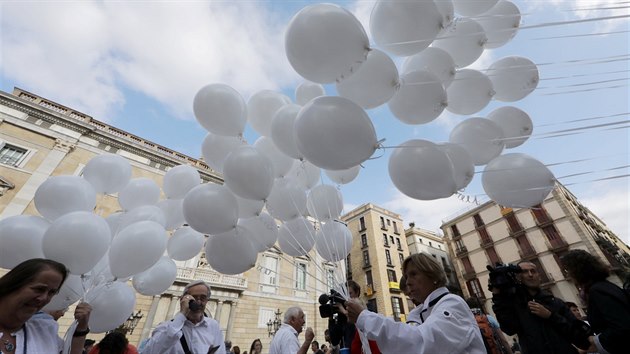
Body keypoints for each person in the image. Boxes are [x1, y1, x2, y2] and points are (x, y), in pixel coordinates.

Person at [345, 253, 486, 353]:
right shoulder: (419, 312)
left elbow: (421, 343)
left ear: (433, 275)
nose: (408, 282)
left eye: (414, 274)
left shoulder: (452, 304)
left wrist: (364, 317)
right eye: (406, 277)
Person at [490, 261, 590, 354]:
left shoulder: (556, 303)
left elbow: (582, 341)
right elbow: (509, 329)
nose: (530, 274)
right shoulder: (516, 306)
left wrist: (551, 316)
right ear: (518, 277)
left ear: (539, 276)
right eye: (524, 272)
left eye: (533, 271)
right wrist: (497, 295)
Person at [0, 258, 92, 354]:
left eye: (52, 292)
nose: (44, 298)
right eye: (39, 289)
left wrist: (81, 328)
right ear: (14, 284)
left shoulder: (44, 331)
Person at [561, 249, 630, 354]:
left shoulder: (597, 291)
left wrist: (596, 341)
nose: (568, 274)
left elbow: (622, 327)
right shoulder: (605, 286)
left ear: (577, 270)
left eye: (567, 270)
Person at [140, 280, 225, 354]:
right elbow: (149, 351)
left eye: (203, 298)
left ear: (207, 301)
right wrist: (182, 314)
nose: (198, 302)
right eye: (194, 298)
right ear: (183, 299)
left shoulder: (213, 326)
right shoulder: (165, 327)